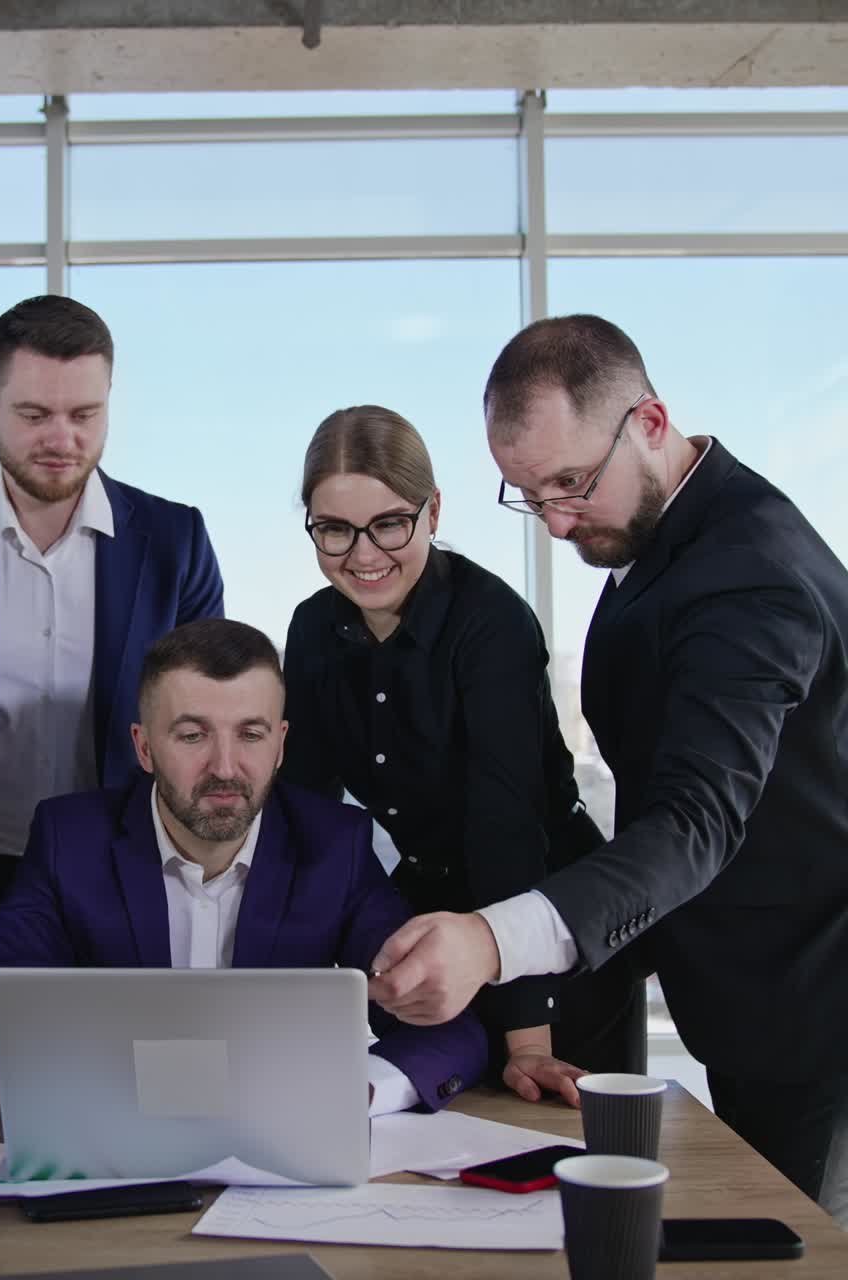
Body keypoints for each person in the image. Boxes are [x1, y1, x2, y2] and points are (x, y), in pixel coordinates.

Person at [369, 314, 848, 1211]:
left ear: (652, 424)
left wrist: (491, 938)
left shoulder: (750, 578)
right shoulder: (668, 539)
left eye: (570, 483)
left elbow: (696, 820)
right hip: (746, 994)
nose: (554, 521)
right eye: (528, 494)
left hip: (817, 1006)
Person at [0, 618, 488, 1111]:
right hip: (122, 1150)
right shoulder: (70, 841)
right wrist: (178, 1077)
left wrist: (363, 1091)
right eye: (191, 735)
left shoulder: (335, 847)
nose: (225, 768)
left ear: (279, 746)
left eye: (250, 735)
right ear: (144, 748)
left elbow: (449, 1029)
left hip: (277, 1157)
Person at [281, 405, 643, 1110]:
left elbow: (505, 829)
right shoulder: (313, 629)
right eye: (333, 529)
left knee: (564, 1162)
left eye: (389, 523)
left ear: (433, 510)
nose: (362, 554)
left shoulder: (490, 622)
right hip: (429, 930)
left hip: (547, 926)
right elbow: (310, 818)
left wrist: (529, 1042)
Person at [0, 296, 225, 954]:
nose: (61, 439)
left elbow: (207, 717)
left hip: (122, 875)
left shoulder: (175, 541)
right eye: (34, 415)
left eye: (84, 414)